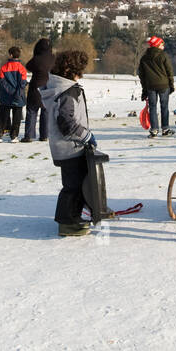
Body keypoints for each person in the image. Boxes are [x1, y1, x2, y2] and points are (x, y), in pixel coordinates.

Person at [42, 49, 99, 237]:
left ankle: (76, 217)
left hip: (64, 147)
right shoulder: (68, 91)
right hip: (70, 148)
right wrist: (85, 136)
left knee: (75, 185)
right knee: (73, 187)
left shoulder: (59, 87)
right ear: (74, 71)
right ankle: (68, 222)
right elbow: (67, 122)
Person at [137, 35, 175, 138]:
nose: (163, 45)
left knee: (152, 108)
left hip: (151, 86)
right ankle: (165, 129)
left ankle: (154, 130)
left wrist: (144, 89)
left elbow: (142, 75)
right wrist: (171, 84)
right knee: (164, 107)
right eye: (162, 44)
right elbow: (169, 71)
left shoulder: (144, 58)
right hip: (164, 85)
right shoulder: (163, 55)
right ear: (157, 45)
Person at [0, 46, 29, 142]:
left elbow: (2, 82)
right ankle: (14, 136)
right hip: (18, 96)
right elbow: (23, 83)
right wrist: (17, 93)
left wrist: (10, 91)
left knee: (2, 117)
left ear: (11, 55)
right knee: (17, 118)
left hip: (6, 96)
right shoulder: (22, 69)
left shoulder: (4, 67)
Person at [22, 38, 54, 141]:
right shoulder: (54, 58)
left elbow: (28, 66)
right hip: (49, 87)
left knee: (32, 111)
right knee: (46, 111)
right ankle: (45, 135)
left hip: (35, 87)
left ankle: (29, 135)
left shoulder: (36, 59)